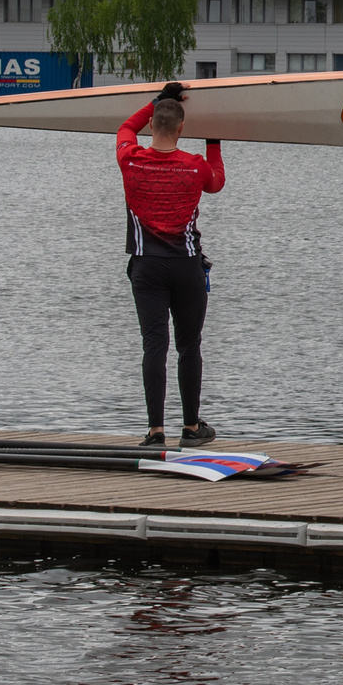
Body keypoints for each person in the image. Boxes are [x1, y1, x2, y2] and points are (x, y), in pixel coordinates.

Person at [116, 81, 225, 447]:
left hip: (147, 268)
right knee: (189, 345)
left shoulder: (130, 158)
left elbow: (125, 128)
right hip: (186, 267)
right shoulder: (194, 167)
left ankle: (155, 432)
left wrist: (156, 101)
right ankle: (192, 429)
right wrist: (214, 140)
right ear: (181, 129)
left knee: (154, 346)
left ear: (152, 128)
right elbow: (217, 182)